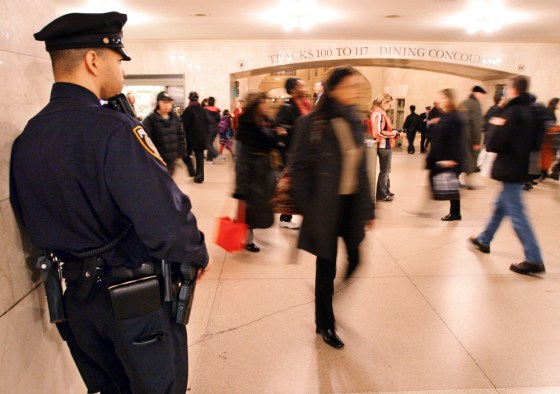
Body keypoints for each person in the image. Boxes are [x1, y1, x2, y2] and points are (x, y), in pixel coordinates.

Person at [9, 12, 211, 393]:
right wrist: (196, 252)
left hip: (78, 303)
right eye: (118, 60)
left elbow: (29, 217)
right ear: (92, 60)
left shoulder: (29, 136)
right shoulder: (114, 130)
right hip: (134, 300)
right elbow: (164, 218)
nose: (120, 70)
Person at [290, 66, 375, 349]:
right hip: (325, 207)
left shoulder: (354, 121)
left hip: (350, 206)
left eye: (357, 87)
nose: (355, 91)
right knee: (325, 267)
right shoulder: (313, 123)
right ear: (334, 89)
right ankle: (325, 323)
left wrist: (369, 209)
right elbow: (298, 170)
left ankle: (328, 297)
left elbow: (361, 168)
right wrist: (308, 208)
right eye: (350, 86)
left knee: (357, 259)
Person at [469, 75, 545, 275]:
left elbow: (494, 142)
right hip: (523, 166)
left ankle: (534, 258)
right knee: (500, 207)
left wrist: (500, 109)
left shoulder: (511, 111)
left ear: (512, 90)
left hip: (510, 166)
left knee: (517, 213)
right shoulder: (534, 109)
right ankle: (484, 239)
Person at [233, 91, 283, 252]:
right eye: (263, 102)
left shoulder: (266, 121)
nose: (266, 105)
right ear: (255, 105)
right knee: (250, 208)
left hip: (266, 171)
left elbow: (271, 141)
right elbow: (241, 159)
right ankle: (248, 239)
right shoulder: (246, 126)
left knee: (261, 206)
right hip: (252, 174)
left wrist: (277, 134)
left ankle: (251, 232)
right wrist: (240, 188)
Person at [275, 77, 311, 229]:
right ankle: (285, 218)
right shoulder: (287, 106)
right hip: (293, 151)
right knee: (292, 186)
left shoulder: (305, 104)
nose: (305, 88)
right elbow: (280, 127)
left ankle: (304, 216)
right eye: (301, 86)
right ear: (293, 89)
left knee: (302, 185)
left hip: (306, 151)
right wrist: (299, 127)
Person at [426, 89, 467, 221]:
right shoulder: (448, 116)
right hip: (445, 157)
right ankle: (453, 212)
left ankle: (455, 213)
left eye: (443, 98)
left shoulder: (453, 117)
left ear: (449, 100)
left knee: (450, 185)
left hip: (450, 158)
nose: (440, 101)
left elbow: (455, 141)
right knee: (449, 184)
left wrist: (451, 160)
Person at [142, 91, 185, 175]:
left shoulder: (175, 118)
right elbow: (145, 140)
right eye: (164, 102)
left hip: (171, 161)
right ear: (158, 103)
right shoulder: (150, 120)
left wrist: (181, 153)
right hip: (157, 161)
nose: (167, 105)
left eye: (169, 102)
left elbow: (181, 135)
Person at [459, 85, 486, 188]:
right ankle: (468, 182)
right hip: (469, 138)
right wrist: (476, 142)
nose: (482, 97)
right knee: (471, 160)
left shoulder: (464, 103)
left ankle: (461, 179)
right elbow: (476, 125)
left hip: (460, 137)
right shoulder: (475, 105)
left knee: (462, 158)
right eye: (481, 94)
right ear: (477, 93)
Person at [372, 93, 397, 202]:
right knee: (385, 171)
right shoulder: (379, 114)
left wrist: (394, 133)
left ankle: (386, 190)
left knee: (386, 170)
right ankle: (382, 195)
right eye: (389, 104)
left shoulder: (379, 113)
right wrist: (392, 134)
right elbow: (379, 132)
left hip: (384, 145)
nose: (389, 106)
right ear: (384, 102)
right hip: (383, 146)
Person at [182, 91, 207, 183]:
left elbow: (185, 124)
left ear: (189, 99)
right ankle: (200, 176)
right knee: (200, 157)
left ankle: (192, 172)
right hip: (201, 137)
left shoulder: (188, 109)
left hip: (191, 137)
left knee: (186, 154)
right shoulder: (202, 109)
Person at [204, 96, 221, 163]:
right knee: (210, 143)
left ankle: (217, 155)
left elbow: (203, 120)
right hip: (215, 130)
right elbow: (219, 119)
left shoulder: (205, 111)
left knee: (207, 144)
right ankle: (209, 159)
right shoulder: (217, 111)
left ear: (208, 102)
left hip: (208, 130)